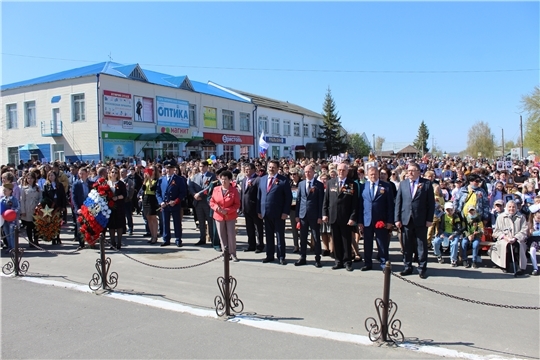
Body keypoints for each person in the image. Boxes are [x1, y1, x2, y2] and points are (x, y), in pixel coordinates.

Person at [394, 162, 435, 279]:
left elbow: (430, 204)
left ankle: (422, 268)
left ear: (418, 172)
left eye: (412, 170)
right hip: (406, 219)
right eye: (408, 171)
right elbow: (398, 202)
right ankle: (407, 266)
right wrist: (397, 219)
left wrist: (429, 219)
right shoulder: (403, 184)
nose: (410, 173)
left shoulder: (426, 184)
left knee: (421, 245)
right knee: (407, 245)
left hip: (421, 220)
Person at [357, 166, 394, 271]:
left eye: (375, 174)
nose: (373, 176)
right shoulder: (364, 186)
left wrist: (390, 221)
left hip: (381, 220)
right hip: (367, 220)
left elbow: (390, 205)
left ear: (378, 174)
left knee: (382, 243)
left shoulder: (386, 186)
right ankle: (368, 263)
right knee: (367, 243)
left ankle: (384, 264)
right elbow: (360, 205)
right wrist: (360, 221)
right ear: (367, 175)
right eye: (371, 174)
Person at [322, 162, 358, 271]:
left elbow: (354, 203)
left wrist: (353, 217)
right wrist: (324, 214)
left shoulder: (352, 184)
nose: (341, 172)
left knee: (346, 241)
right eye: (339, 170)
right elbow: (326, 200)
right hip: (333, 216)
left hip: (346, 218)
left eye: (343, 170)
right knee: (336, 240)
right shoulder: (330, 183)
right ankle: (338, 261)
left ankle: (347, 262)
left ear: (347, 172)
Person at [257, 159, 292, 265]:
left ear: (277, 169)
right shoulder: (262, 179)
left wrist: (285, 212)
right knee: (268, 236)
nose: (271, 169)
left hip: (279, 213)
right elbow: (259, 196)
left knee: (280, 236)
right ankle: (270, 255)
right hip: (266, 213)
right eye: (269, 167)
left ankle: (281, 256)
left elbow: (288, 198)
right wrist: (259, 210)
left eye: (273, 167)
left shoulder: (283, 180)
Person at [295, 164, 325, 267]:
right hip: (303, 215)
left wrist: (320, 216)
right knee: (303, 238)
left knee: (316, 237)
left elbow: (321, 202)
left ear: (313, 172)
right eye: (306, 172)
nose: (307, 174)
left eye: (309, 172)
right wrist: (297, 215)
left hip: (314, 215)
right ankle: (302, 257)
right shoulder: (301, 184)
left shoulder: (319, 185)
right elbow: (299, 200)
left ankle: (317, 258)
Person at [210, 170, 241, 261]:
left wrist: (226, 211)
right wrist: (217, 208)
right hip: (218, 216)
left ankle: (233, 253)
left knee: (231, 235)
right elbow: (212, 201)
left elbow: (237, 205)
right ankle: (225, 253)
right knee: (222, 235)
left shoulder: (234, 191)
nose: (223, 181)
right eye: (222, 179)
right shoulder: (216, 189)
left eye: (225, 179)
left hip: (230, 216)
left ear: (230, 180)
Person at [491, 200, 529, 274]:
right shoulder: (500, 217)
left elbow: (524, 230)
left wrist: (516, 237)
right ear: (506, 207)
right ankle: (505, 266)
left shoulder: (521, 217)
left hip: (517, 239)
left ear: (516, 208)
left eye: (513, 207)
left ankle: (520, 267)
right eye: (510, 207)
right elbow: (496, 231)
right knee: (505, 246)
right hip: (504, 239)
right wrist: (505, 237)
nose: (511, 209)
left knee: (518, 245)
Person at [156, 160, 187, 247]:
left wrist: (176, 201)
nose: (168, 170)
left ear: (174, 169)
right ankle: (166, 239)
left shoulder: (179, 179)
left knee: (177, 222)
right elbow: (158, 192)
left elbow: (183, 192)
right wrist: (160, 202)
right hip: (165, 205)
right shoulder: (161, 179)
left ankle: (178, 239)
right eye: (167, 168)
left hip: (175, 204)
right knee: (165, 222)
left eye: (171, 168)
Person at [188, 160, 217, 246]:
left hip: (207, 201)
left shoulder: (211, 176)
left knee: (210, 221)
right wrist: (194, 195)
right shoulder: (195, 176)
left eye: (203, 166)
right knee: (200, 221)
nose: (201, 168)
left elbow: (209, 187)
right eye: (200, 166)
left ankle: (212, 239)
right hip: (198, 201)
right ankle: (202, 238)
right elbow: (191, 186)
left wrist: (199, 194)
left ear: (207, 167)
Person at [239, 163, 264, 253]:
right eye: (245, 169)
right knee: (249, 228)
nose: (246, 171)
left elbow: (260, 195)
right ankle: (251, 245)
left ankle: (260, 245)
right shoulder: (244, 179)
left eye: (248, 169)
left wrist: (259, 209)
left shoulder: (258, 179)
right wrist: (241, 206)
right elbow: (242, 193)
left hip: (255, 208)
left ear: (253, 170)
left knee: (258, 228)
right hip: (246, 208)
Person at [433, 202, 464, 266]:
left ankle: (453, 259)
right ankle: (438, 256)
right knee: (436, 241)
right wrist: (441, 233)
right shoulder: (442, 216)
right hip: (444, 232)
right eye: (447, 210)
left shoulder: (456, 217)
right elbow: (439, 226)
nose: (449, 211)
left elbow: (459, 228)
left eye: (451, 210)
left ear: (453, 209)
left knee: (454, 243)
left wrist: (453, 235)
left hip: (454, 233)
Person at [41, 170, 67, 245]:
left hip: (58, 205)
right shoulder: (46, 185)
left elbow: (63, 196)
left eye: (52, 175)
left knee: (58, 221)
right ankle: (52, 237)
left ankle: (58, 237)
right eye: (49, 175)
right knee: (52, 222)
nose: (51, 177)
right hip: (50, 206)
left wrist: (63, 206)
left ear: (55, 176)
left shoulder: (60, 185)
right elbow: (44, 196)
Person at [72, 167, 94, 250]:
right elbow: (74, 198)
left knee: (91, 226)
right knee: (80, 227)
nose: (81, 175)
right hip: (80, 209)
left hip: (90, 208)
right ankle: (81, 244)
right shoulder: (76, 184)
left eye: (83, 173)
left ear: (87, 174)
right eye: (80, 174)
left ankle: (91, 242)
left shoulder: (92, 184)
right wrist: (77, 208)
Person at [107, 167, 127, 250]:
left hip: (119, 207)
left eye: (115, 172)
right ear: (110, 173)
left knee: (119, 225)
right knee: (111, 226)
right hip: (110, 207)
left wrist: (117, 197)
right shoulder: (107, 183)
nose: (114, 174)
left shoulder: (121, 183)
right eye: (112, 172)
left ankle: (119, 243)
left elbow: (125, 195)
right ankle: (112, 243)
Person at [20, 172, 41, 249]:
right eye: (28, 178)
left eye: (31, 178)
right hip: (27, 208)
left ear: (34, 179)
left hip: (36, 208)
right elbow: (22, 200)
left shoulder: (37, 188)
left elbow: (40, 197)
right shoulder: (24, 188)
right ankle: (30, 240)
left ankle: (36, 240)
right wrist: (23, 211)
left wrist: (39, 205)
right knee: (29, 226)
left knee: (36, 225)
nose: (30, 180)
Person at [142, 167, 159, 244]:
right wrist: (145, 180)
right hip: (146, 198)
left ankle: (155, 236)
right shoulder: (146, 179)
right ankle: (152, 235)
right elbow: (143, 188)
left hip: (152, 199)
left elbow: (152, 189)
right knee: (148, 217)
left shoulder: (156, 180)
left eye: (152, 170)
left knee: (153, 217)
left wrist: (149, 179)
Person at [1, 183, 19, 252]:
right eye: (4, 190)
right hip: (5, 219)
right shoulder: (2, 199)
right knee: (7, 233)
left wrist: (12, 212)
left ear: (10, 191)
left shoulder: (13, 199)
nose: (4, 191)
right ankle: (9, 246)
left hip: (12, 220)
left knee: (12, 234)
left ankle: (14, 248)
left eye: (6, 190)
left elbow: (17, 208)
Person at [120, 168, 135, 235]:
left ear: (126, 173)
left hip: (127, 200)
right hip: (120, 201)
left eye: (123, 172)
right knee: (122, 215)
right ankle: (123, 228)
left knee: (128, 215)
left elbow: (131, 190)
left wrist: (129, 198)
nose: (122, 173)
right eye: (121, 172)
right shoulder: (119, 181)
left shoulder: (129, 181)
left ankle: (130, 228)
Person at [526, 204, 540, 275]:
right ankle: (535, 268)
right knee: (532, 250)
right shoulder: (529, 224)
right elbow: (529, 234)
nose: (539, 219)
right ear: (533, 216)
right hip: (534, 240)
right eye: (538, 218)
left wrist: (535, 232)